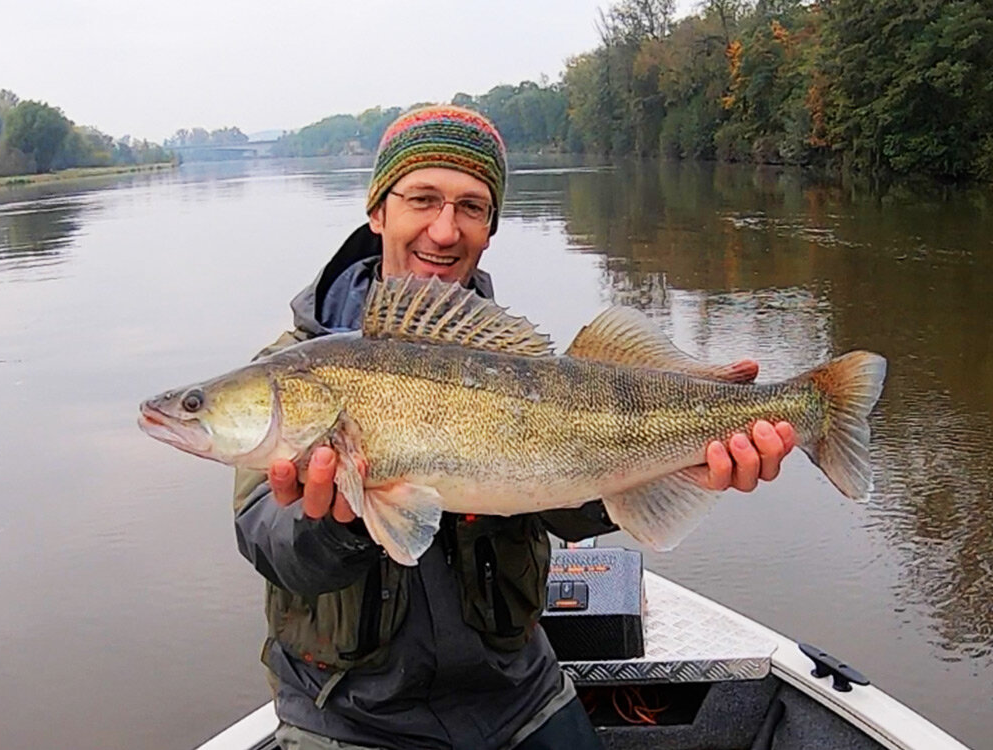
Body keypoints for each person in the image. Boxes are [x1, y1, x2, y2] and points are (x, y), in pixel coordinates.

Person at [233, 106, 795, 750]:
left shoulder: (518, 363)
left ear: (491, 227)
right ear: (378, 211)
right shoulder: (291, 368)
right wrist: (336, 520)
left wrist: (680, 463)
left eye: (471, 207)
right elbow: (266, 540)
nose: (445, 230)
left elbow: (565, 508)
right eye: (422, 199)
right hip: (350, 716)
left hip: (518, 695)